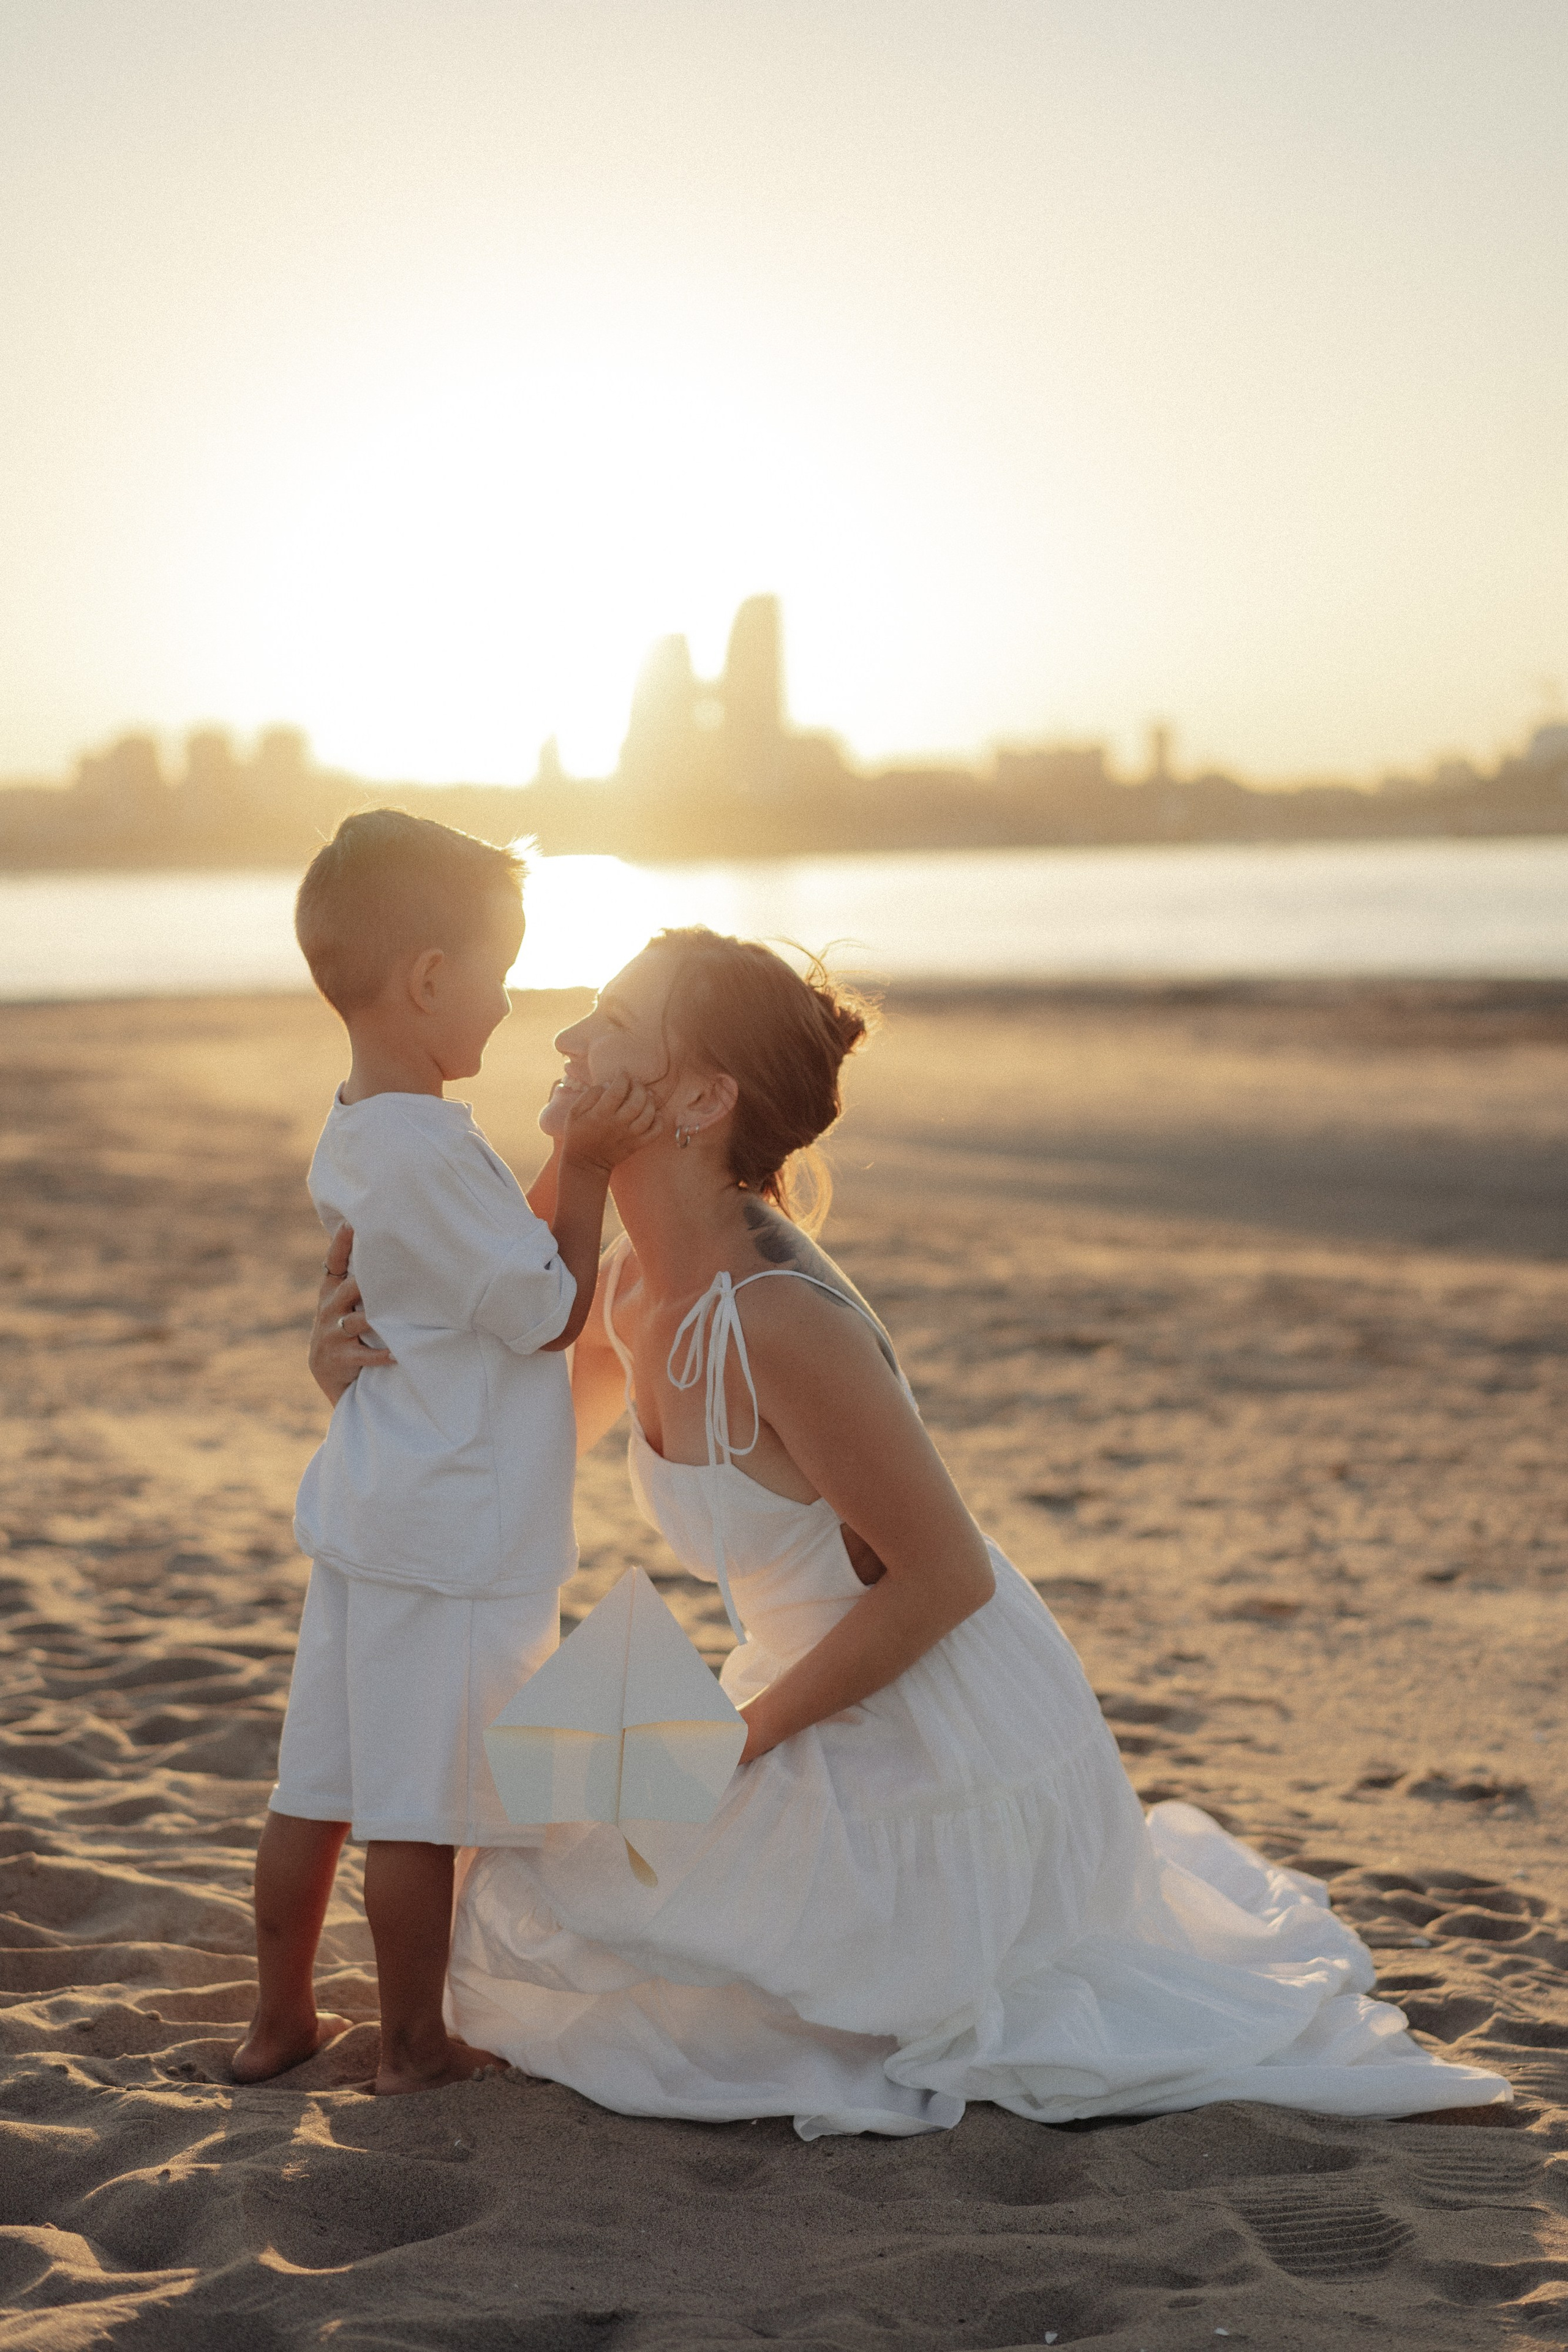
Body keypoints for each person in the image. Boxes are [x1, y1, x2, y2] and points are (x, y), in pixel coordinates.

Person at [312, 925, 1510, 2136]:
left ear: (703, 1099)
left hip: (936, 1717)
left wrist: (738, 1741)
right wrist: (354, 1377)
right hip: (805, 1679)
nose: (567, 1039)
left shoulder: (774, 1316)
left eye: (611, 1024)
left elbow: (946, 1578)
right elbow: (510, 1447)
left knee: (620, 1930)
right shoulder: (626, 1280)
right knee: (531, 1863)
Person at [233, 811, 658, 2096]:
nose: (510, 999)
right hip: (450, 1533)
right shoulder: (432, 1148)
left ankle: (278, 2020)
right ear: (428, 979)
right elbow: (544, 1307)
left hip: (372, 1513)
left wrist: (550, 1165)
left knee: (316, 1789)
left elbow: (487, 1261)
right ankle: (411, 2043)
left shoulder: (365, 1129)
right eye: (500, 971)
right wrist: (588, 1166)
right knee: (417, 1808)